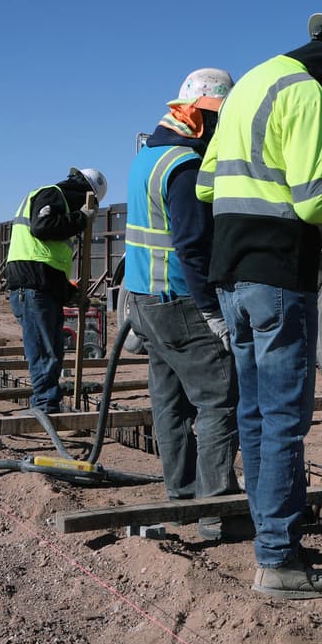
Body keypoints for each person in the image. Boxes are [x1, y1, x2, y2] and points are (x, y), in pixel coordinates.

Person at [197, 10, 322, 599]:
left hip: (230, 275)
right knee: (284, 420)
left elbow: (208, 184)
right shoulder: (307, 92)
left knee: (256, 417)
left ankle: (271, 536)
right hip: (278, 276)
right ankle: (279, 559)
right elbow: (314, 202)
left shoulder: (253, 83)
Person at [125, 68, 241, 541]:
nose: (218, 129)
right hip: (179, 301)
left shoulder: (146, 157)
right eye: (215, 119)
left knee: (169, 403)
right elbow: (192, 246)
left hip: (145, 301)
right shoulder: (184, 167)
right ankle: (215, 512)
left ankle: (182, 495)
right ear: (196, 115)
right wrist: (212, 310)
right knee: (217, 400)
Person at [5, 167, 108, 414]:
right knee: (44, 352)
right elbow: (42, 228)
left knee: (51, 349)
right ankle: (45, 406)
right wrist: (81, 219)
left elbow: (47, 261)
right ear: (85, 193)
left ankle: (47, 404)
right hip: (31, 287)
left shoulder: (57, 202)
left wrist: (70, 294)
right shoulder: (52, 194)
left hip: (40, 286)